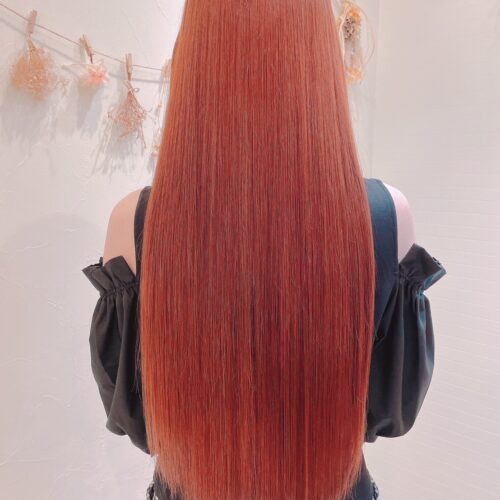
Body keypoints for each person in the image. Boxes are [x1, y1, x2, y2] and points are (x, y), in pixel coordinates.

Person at [82, 1, 447, 499]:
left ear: (194, 57)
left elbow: (137, 421)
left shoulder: (135, 220)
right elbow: (391, 410)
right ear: (321, 56)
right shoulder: (386, 213)